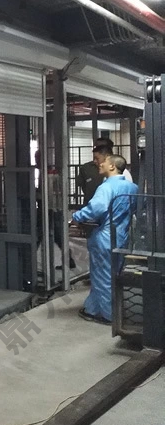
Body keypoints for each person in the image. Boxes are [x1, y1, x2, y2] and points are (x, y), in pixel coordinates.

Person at [70, 154, 138, 324]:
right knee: (111, 274)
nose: (99, 164)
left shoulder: (106, 187)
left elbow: (96, 208)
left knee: (102, 277)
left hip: (104, 237)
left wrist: (77, 216)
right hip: (122, 236)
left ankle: (110, 316)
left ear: (112, 166)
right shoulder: (133, 188)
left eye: (104, 162)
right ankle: (92, 309)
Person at [76, 138, 132, 205]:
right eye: (96, 147)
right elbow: (82, 185)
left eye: (101, 147)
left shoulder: (122, 172)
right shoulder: (86, 168)